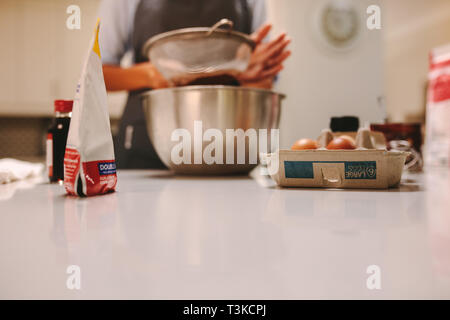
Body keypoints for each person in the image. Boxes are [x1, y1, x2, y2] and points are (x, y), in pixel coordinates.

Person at [98, 0, 291, 169]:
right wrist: (151, 74)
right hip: (146, 143)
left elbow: (264, 82)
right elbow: (99, 73)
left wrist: (254, 75)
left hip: (227, 145)